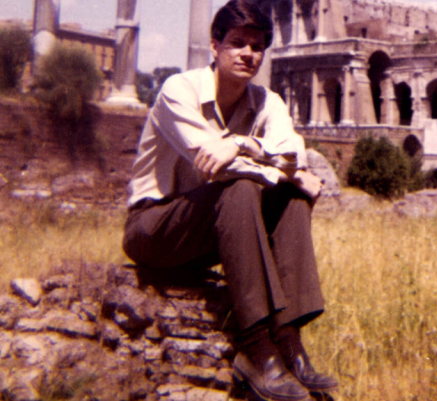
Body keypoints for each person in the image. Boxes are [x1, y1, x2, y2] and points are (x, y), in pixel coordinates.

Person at [121, 1, 337, 400]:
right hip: (154, 229)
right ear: (215, 45)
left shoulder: (267, 102)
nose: (247, 54)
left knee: (289, 195)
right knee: (242, 186)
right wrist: (284, 170)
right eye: (237, 43)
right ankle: (257, 351)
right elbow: (218, 169)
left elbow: (294, 153)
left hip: (210, 233)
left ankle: (289, 342)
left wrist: (241, 143)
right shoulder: (179, 91)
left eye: (256, 47)